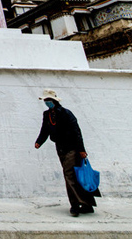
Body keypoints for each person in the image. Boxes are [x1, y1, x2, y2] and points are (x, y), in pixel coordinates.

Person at [34, 89, 99, 217]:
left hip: (72, 148)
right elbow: (45, 130)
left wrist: (81, 150)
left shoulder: (66, 114)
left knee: (69, 175)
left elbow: (76, 131)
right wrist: (39, 142)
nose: (47, 103)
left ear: (54, 101)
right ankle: (86, 203)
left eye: (48, 100)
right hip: (60, 147)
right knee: (74, 176)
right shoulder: (47, 115)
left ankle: (75, 205)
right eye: (45, 101)